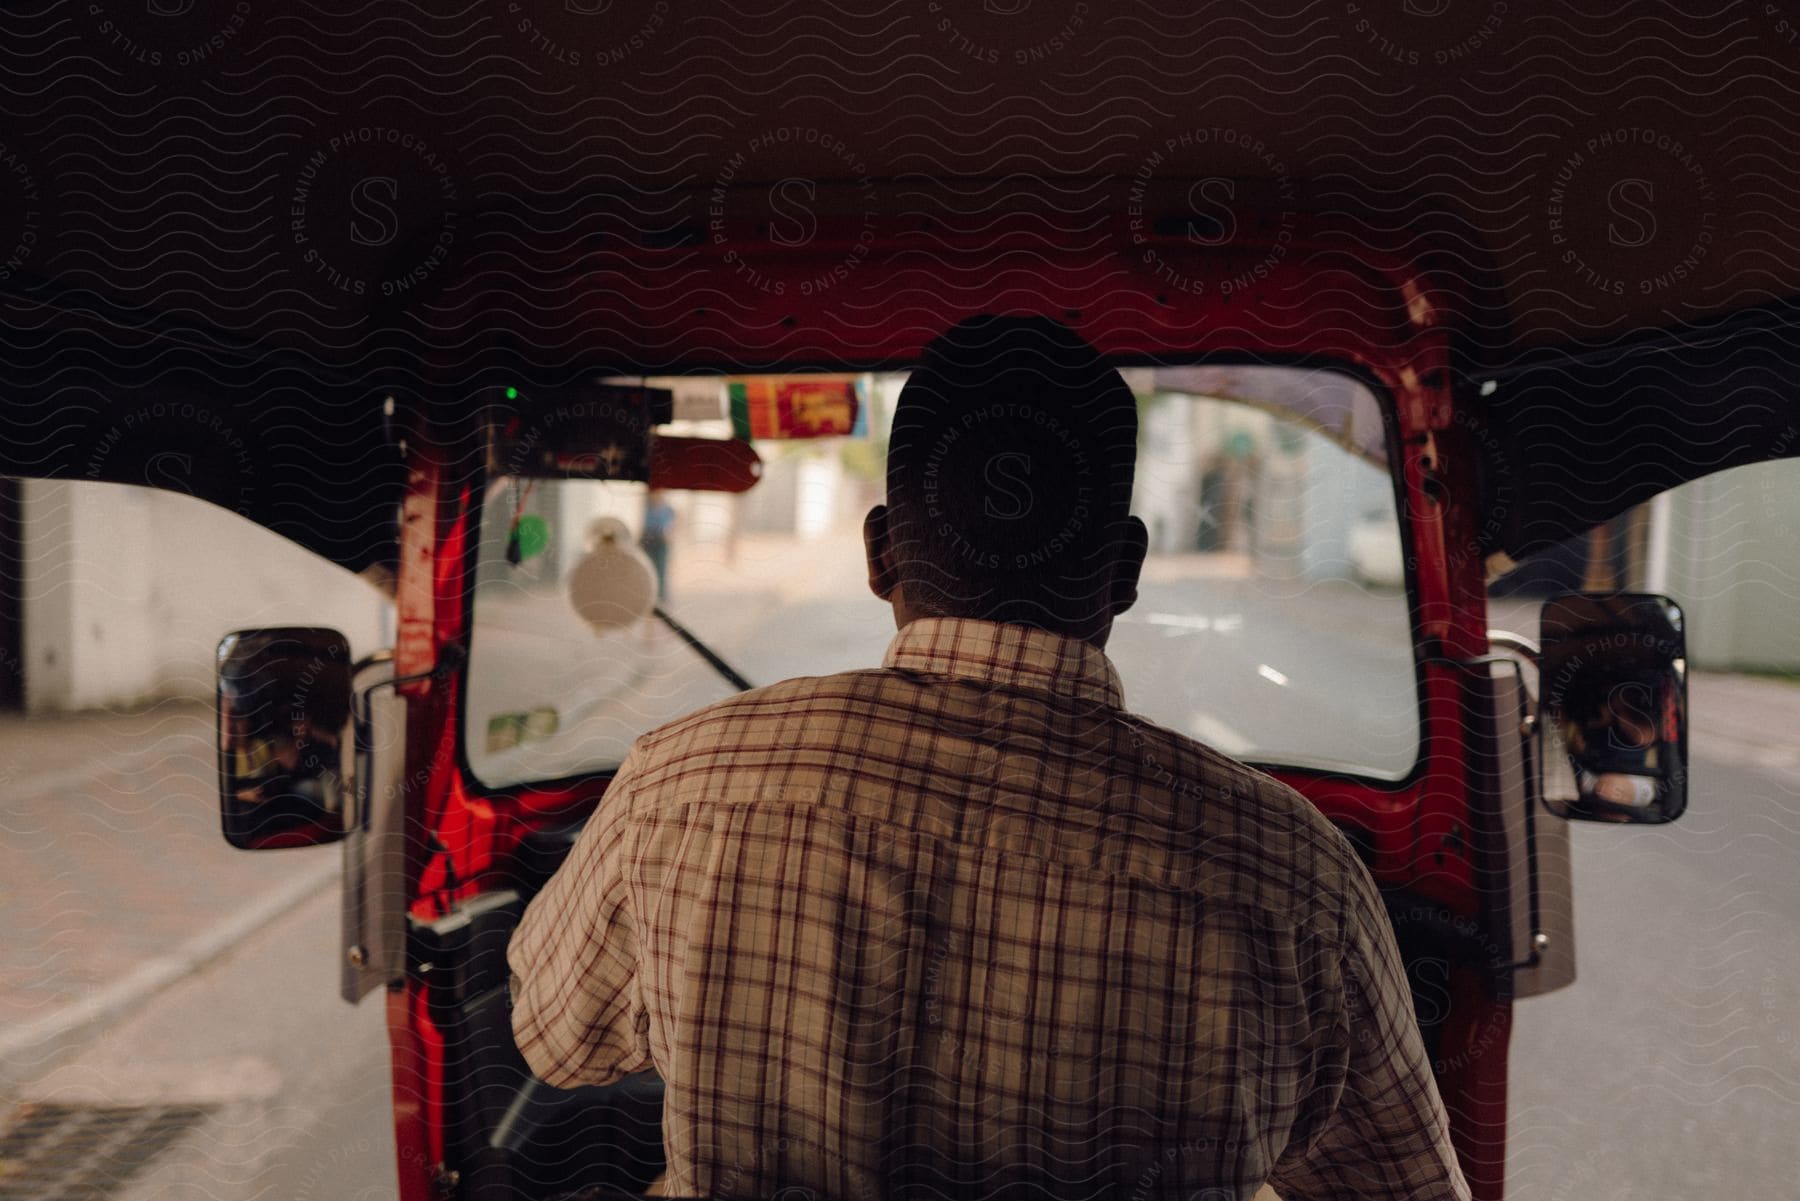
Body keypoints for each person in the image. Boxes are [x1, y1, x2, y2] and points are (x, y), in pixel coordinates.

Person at [508, 316, 1470, 1201]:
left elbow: (556, 1041)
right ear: (1126, 569)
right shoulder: (1294, 876)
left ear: (880, 552)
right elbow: (1399, 1187)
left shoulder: (681, 784)